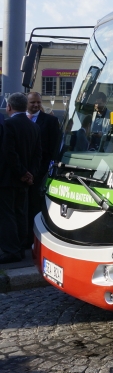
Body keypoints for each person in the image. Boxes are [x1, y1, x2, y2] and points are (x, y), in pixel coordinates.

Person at [0, 93, 42, 263]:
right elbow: (37, 154)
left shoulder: (8, 125)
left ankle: (12, 250)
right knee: (21, 213)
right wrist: (30, 174)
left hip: (9, 179)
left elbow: (9, 153)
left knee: (7, 215)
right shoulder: (34, 126)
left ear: (9, 107)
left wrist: (22, 172)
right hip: (26, 180)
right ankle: (21, 246)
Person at [26, 92, 62, 246]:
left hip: (40, 172)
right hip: (21, 173)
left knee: (35, 206)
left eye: (38, 102)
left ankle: (33, 238)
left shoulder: (50, 121)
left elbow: (54, 148)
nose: (36, 105)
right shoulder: (18, 120)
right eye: (32, 102)